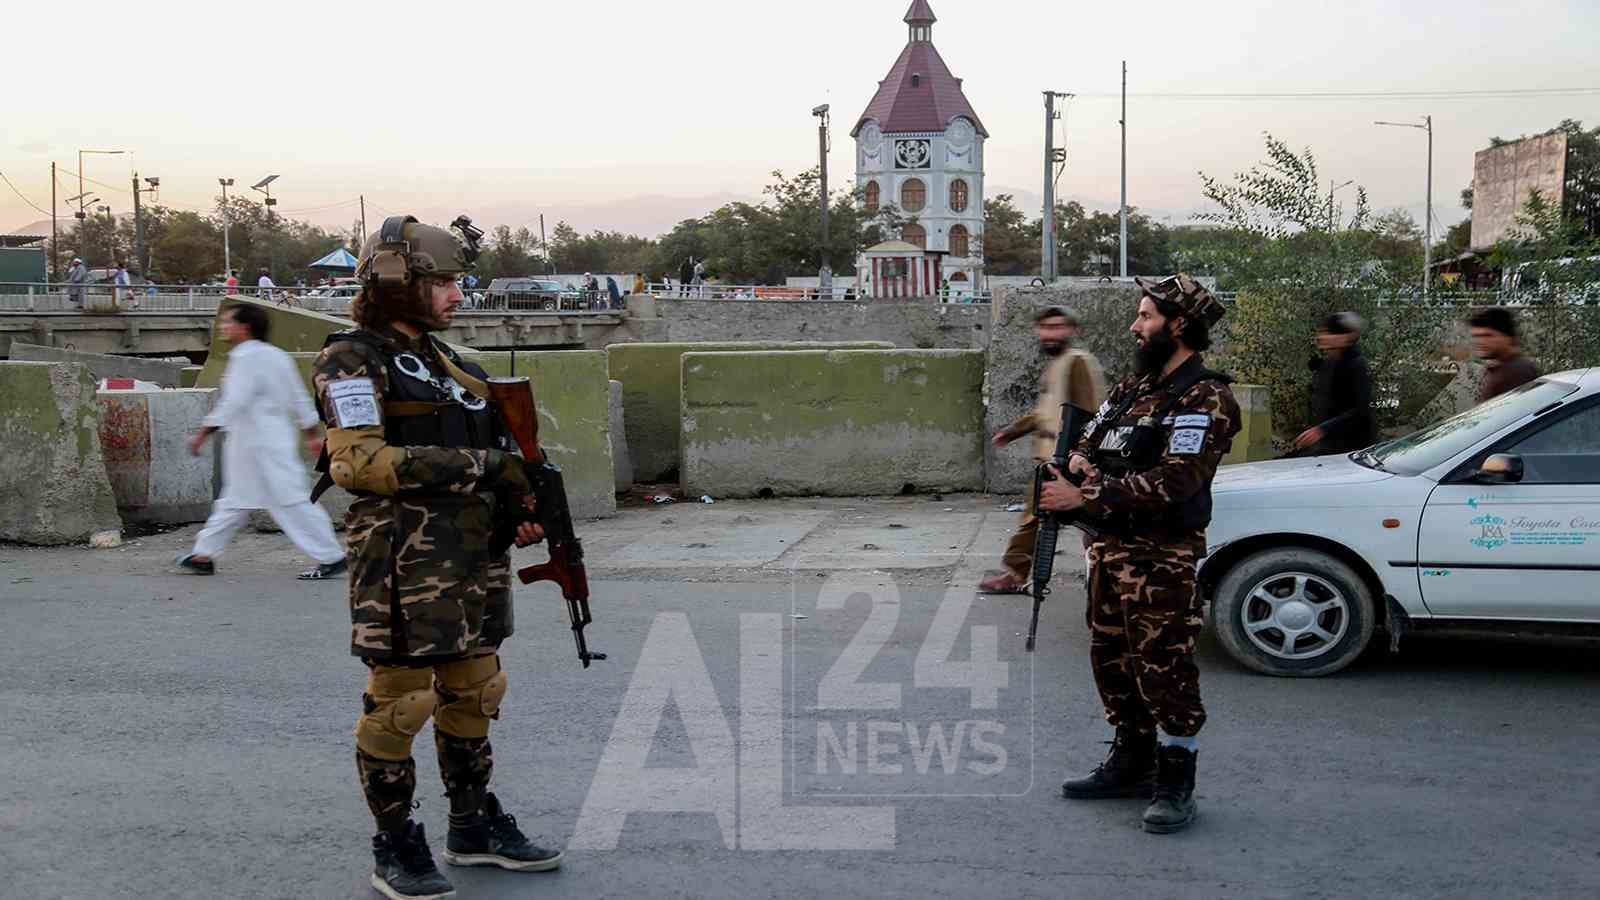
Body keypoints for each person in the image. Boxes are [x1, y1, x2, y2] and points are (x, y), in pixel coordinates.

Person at [312, 215, 561, 900]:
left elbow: (500, 462)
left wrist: (519, 507)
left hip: (471, 555)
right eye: (445, 282)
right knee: (402, 703)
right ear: (397, 281)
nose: (459, 294)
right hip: (401, 560)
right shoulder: (351, 360)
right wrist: (482, 466)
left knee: (476, 692)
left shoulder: (456, 366)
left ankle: (472, 826)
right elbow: (359, 462)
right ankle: (394, 845)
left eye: (457, 281)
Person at [1038, 274, 1240, 836]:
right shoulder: (1133, 387)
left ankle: (1176, 779)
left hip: (1161, 559)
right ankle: (1132, 760)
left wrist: (1088, 491)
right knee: (1112, 662)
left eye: (1146, 316)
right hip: (1107, 550)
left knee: (1165, 669)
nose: (1135, 325)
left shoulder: (1206, 397)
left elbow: (1176, 482)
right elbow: (1088, 437)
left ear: (1179, 325)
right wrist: (1077, 462)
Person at [176, 303, 347, 581]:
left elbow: (234, 401)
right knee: (236, 500)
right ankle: (203, 554)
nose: (223, 327)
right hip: (268, 439)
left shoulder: (245, 358)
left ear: (244, 327)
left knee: (289, 499)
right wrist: (311, 434)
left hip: (256, 442)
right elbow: (299, 397)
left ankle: (331, 556)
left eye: (228, 322)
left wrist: (203, 432)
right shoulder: (278, 356)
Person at [980, 306, 1106, 594]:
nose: (1051, 333)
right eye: (1046, 327)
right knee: (1053, 519)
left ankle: (1015, 574)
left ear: (1071, 330)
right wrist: (1013, 432)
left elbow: (1089, 412)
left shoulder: (1077, 363)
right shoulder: (1057, 364)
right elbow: (1044, 412)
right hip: (1051, 456)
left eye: (1058, 327)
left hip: (1066, 459)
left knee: (1042, 518)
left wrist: (1081, 456)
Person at [1292, 312, 1375, 455]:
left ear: (1346, 337)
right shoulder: (1329, 363)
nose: (1322, 337)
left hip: (1348, 449)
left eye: (1329, 333)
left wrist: (1322, 429)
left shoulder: (1356, 366)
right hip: (1325, 445)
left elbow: (1359, 410)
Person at [1470, 307, 1539, 403]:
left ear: (1508, 337)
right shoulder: (1500, 369)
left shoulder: (1517, 372)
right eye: (1476, 336)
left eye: (1487, 335)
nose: (1480, 342)